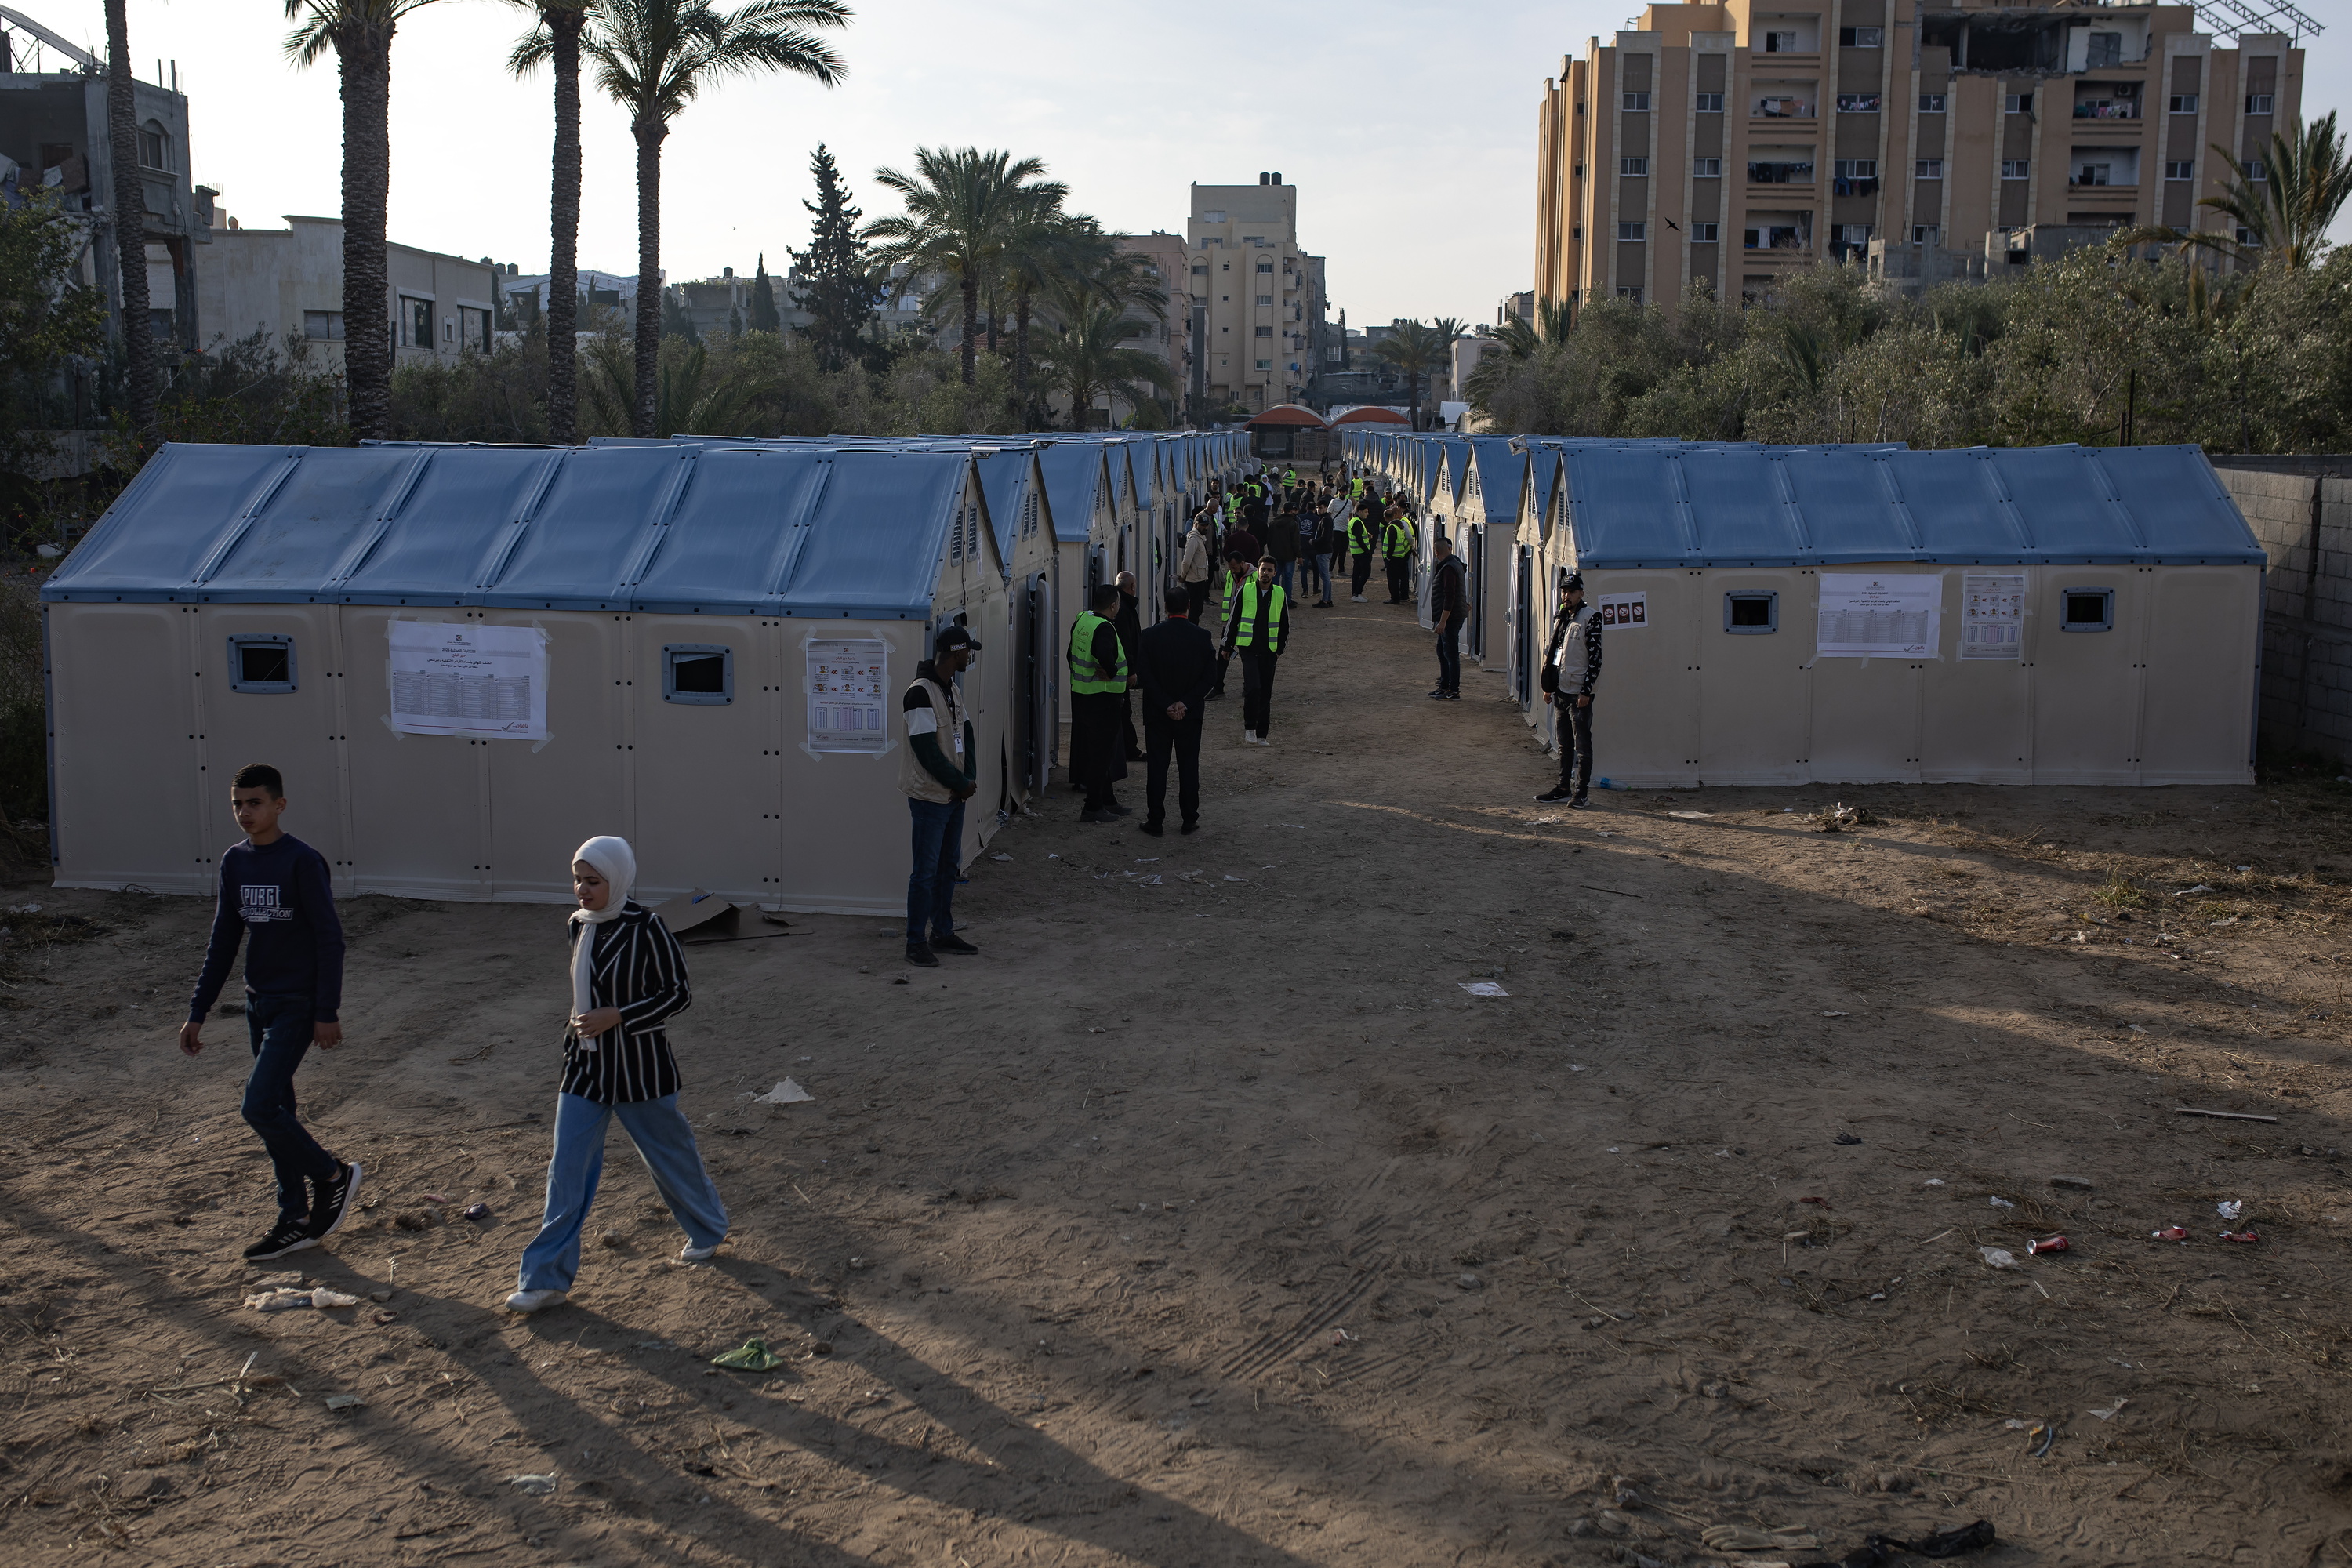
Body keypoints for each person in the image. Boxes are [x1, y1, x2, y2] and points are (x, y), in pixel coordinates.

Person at [506, 836, 728, 1314]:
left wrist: (620, 1015)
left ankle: (708, 1227)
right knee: (566, 1170)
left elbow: (678, 994)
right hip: (585, 1065)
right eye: (578, 880)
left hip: (639, 1068)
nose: (582, 891)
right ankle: (544, 1279)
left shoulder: (648, 927)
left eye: (593, 881)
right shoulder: (577, 925)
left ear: (619, 879)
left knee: (670, 1155)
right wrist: (584, 1025)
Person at [180, 763, 359, 1262]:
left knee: (257, 1107)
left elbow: (330, 938)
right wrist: (198, 1011)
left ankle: (333, 1175)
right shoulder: (235, 862)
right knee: (279, 1111)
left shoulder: (302, 861)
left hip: (299, 1004)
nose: (244, 813)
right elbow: (223, 941)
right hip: (259, 1002)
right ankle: (295, 1219)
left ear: (279, 805)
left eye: (254, 803)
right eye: (237, 803)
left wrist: (327, 1009)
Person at [900, 626, 981, 966]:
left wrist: (969, 777)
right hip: (931, 797)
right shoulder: (919, 694)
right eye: (967, 651)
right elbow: (926, 751)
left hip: (952, 795)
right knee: (925, 872)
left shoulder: (950, 689)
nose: (969, 656)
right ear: (956, 652)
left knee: (948, 867)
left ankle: (942, 932)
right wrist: (959, 782)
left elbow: (967, 733)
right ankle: (915, 942)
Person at [1135, 583, 1217, 836]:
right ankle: (1189, 818)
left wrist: (1166, 704)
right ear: (1189, 606)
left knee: (1157, 768)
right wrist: (1185, 703)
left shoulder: (1150, 636)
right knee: (1188, 766)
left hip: (1158, 714)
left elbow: (1145, 677)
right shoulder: (1202, 637)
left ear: (1166, 607)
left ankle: (1155, 821)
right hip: (1190, 715)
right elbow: (1209, 677)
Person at [1535, 573, 1603, 807]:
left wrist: (1586, 691)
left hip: (1578, 694)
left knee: (1583, 747)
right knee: (1564, 745)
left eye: (1571, 592)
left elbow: (1595, 658)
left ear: (1581, 593)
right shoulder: (1561, 618)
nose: (1567, 595)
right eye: (1564, 591)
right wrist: (1549, 686)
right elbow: (1556, 655)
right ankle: (1563, 787)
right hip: (1561, 692)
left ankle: (1581, 792)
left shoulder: (1591, 617)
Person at [1069, 583, 1132, 822]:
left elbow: (1069, 654)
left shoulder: (1083, 619)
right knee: (1102, 755)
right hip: (1103, 699)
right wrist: (1113, 671)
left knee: (1100, 751)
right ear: (1114, 606)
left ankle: (1108, 800)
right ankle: (1093, 807)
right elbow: (1105, 655)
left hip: (1082, 695)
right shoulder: (1105, 628)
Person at [1222, 555, 1290, 746]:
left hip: (1269, 651)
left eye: (1270, 570)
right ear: (1257, 571)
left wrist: (1279, 650)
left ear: (1275, 573)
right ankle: (1250, 728)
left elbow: (1285, 625)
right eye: (1263, 569)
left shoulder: (1279, 593)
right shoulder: (1246, 590)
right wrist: (1226, 645)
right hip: (1248, 648)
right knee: (1253, 688)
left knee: (1265, 692)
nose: (1266, 573)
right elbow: (1233, 619)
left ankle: (1262, 734)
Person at [1428, 534, 1466, 699]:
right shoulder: (1454, 564)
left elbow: (1449, 595)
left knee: (1450, 653)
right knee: (1443, 651)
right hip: (1453, 615)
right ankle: (1444, 685)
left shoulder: (1448, 568)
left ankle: (1453, 689)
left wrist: (1443, 621)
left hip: (1450, 618)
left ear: (1436, 553)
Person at [1114, 570, 1145, 762]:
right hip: (1123, 671)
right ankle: (1129, 749)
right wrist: (1132, 670)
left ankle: (1127, 748)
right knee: (1124, 711)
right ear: (1132, 587)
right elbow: (1126, 642)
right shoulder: (1125, 609)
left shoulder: (1120, 606)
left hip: (1119, 670)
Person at [1178, 512, 1215, 623]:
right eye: (1202, 525)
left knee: (1197, 610)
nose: (1205, 528)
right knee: (1194, 610)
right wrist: (1183, 576)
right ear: (1196, 524)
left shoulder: (1199, 538)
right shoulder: (1194, 539)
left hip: (1199, 578)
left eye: (1206, 525)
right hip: (1194, 580)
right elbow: (1187, 560)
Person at [1381, 503, 1417, 604]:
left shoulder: (1393, 527)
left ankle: (1395, 598)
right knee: (1401, 576)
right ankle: (1401, 596)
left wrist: (1388, 557)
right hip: (1401, 555)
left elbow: (1391, 544)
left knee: (1393, 579)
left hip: (1394, 557)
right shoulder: (1400, 525)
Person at [1266, 502, 1301, 598]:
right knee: (1288, 578)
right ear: (1291, 511)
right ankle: (1287, 599)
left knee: (1275, 577)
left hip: (1276, 555)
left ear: (1282, 510)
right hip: (1289, 556)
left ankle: (1274, 597)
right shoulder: (1293, 524)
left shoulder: (1273, 523)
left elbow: (1269, 540)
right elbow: (1296, 542)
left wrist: (1271, 553)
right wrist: (1299, 556)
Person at [1308, 506, 1337, 608]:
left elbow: (1325, 537)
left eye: (1320, 508)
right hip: (1325, 551)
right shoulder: (1325, 519)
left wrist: (1314, 542)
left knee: (1325, 577)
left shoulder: (1325, 520)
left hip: (1323, 552)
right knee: (1326, 577)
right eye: (1317, 508)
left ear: (1325, 508)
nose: (1318, 510)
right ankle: (1328, 599)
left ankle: (1325, 601)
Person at [1347, 504, 1377, 603]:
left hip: (1356, 551)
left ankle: (1356, 593)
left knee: (1356, 573)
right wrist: (1366, 550)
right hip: (1361, 552)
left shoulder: (1354, 521)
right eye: (1366, 511)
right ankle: (1357, 593)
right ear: (1359, 511)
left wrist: (1367, 536)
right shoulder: (1357, 522)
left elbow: (1357, 535)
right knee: (1366, 572)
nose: (1367, 514)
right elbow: (1359, 539)